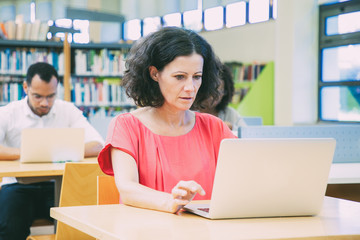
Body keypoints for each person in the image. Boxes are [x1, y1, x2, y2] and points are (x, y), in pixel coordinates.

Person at [97, 27, 237, 214]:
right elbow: (127, 188)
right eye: (180, 77)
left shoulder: (214, 127)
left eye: (197, 77)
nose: (190, 87)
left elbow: (243, 179)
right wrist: (170, 202)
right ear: (155, 74)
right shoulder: (126, 125)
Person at [0, 62, 104, 240]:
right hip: (17, 187)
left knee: (81, 225)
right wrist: (28, 152)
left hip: (58, 186)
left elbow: (97, 145)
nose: (45, 103)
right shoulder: (9, 113)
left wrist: (55, 152)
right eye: (38, 96)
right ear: (26, 87)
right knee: (9, 227)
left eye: (51, 96)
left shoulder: (67, 110)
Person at [199, 63, 247, 130]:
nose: (214, 95)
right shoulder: (189, 112)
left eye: (219, 90)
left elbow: (247, 135)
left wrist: (232, 128)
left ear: (225, 93)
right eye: (210, 89)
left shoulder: (230, 113)